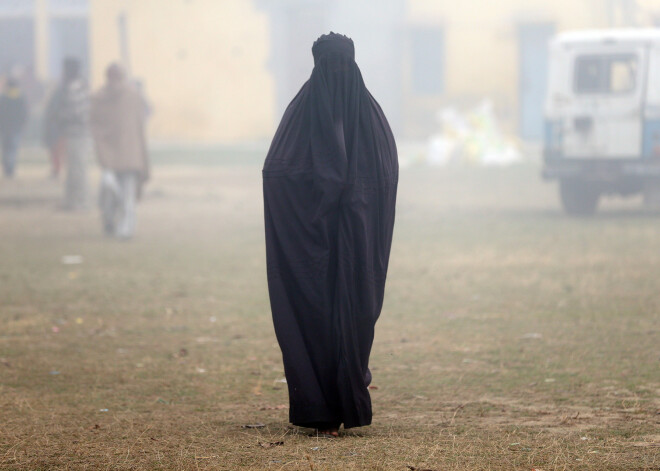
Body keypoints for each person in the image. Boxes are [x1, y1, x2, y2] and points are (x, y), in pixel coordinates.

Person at [262, 33, 398, 437]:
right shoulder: (303, 116)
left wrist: (352, 200)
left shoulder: (369, 120)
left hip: (357, 241)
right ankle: (318, 406)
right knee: (315, 316)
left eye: (343, 66)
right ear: (318, 66)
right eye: (330, 67)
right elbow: (277, 173)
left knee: (357, 315)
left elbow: (385, 175)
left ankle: (351, 397)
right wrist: (323, 198)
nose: (337, 75)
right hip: (314, 246)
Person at [90, 63, 149, 239]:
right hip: (124, 154)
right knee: (118, 194)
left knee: (121, 195)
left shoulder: (124, 97)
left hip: (120, 154)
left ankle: (122, 227)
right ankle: (119, 226)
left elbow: (137, 124)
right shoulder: (102, 99)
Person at [43, 57, 90, 209]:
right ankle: (71, 201)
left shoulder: (75, 88)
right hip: (73, 134)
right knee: (72, 170)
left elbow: (78, 113)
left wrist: (59, 116)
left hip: (78, 134)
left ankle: (79, 202)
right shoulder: (74, 87)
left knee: (77, 170)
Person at [0, 78, 29, 178]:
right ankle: (11, 169)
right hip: (16, 128)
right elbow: (24, 114)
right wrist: (23, 125)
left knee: (6, 149)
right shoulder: (21, 98)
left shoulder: (3, 97)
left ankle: (7, 168)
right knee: (13, 149)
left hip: (5, 129)